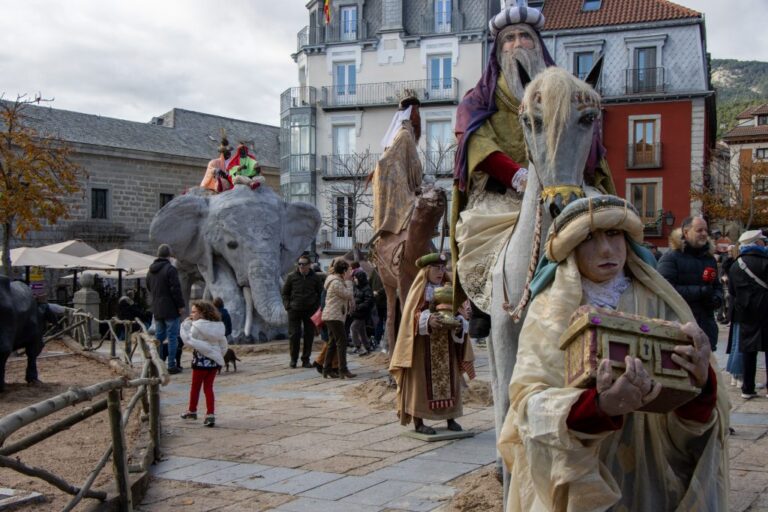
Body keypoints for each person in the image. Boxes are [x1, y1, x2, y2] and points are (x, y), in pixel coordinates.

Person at [498, 195, 728, 511]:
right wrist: (600, 408)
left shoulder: (661, 300)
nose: (607, 249)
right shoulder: (549, 311)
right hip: (586, 474)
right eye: (590, 238)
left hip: (654, 473)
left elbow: (697, 417)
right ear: (572, 247)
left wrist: (701, 385)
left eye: (614, 234)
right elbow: (526, 405)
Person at [450, 2, 613, 334]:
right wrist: (517, 175)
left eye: (525, 36)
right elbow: (476, 142)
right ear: (498, 50)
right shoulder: (477, 100)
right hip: (504, 194)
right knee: (477, 233)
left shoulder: (564, 91)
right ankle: (488, 302)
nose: (516, 44)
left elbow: (585, 136)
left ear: (538, 45)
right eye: (508, 39)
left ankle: (628, 288)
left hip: (565, 183)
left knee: (613, 223)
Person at [389, 253, 475, 435]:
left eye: (443, 268)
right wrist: (427, 321)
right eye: (436, 268)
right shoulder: (418, 291)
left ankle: (451, 417)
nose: (440, 271)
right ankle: (418, 421)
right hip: (422, 347)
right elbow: (409, 319)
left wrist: (459, 323)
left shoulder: (450, 290)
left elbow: (461, 314)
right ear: (426, 270)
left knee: (450, 381)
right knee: (420, 384)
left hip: (447, 345)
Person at [658, 216, 723, 350]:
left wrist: (716, 299)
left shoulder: (709, 258)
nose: (704, 234)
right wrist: (700, 291)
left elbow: (717, 286)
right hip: (680, 329)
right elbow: (666, 290)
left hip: (706, 328)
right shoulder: (670, 258)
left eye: (706, 230)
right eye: (699, 230)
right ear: (686, 232)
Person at [371, 96, 423, 240]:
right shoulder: (404, 135)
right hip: (401, 187)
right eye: (417, 112)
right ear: (412, 112)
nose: (419, 117)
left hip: (403, 182)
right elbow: (411, 164)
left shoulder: (401, 134)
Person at [727, 229, 768, 399]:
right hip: (767, 311)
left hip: (745, 314)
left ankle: (747, 388)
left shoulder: (736, 265)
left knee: (748, 351)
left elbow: (732, 291)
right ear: (757, 243)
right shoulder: (766, 262)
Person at [179, 300, 228, 427]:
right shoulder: (218, 326)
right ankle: (210, 414)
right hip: (213, 362)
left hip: (200, 362)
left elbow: (188, 340)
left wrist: (185, 323)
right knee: (208, 388)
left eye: (194, 311)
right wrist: (216, 355)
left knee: (195, 388)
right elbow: (223, 344)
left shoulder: (196, 326)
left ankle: (192, 410)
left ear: (201, 313)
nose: (192, 314)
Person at [147, 244, 185, 374]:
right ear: (169, 255)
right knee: (172, 337)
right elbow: (176, 290)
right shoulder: (170, 269)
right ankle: (171, 365)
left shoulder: (151, 270)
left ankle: (159, 363)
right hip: (170, 309)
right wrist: (180, 306)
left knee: (159, 337)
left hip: (157, 308)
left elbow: (149, 286)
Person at [282, 255, 324, 368]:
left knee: (309, 335)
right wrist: (288, 306)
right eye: (299, 264)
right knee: (294, 335)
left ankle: (306, 360)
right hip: (294, 310)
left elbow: (321, 293)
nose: (301, 266)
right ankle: (293, 360)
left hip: (309, 310)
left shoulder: (315, 277)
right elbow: (285, 293)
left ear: (309, 265)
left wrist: (316, 307)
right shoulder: (291, 277)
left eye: (303, 264)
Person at [322, 259, 355, 379]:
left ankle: (327, 369)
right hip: (334, 316)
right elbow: (348, 294)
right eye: (349, 270)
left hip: (333, 315)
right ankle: (343, 370)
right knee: (342, 342)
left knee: (332, 343)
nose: (350, 273)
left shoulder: (336, 280)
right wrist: (349, 283)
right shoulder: (336, 282)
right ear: (344, 271)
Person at [350, 269, 374, 355]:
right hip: (357, 312)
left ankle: (358, 346)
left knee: (353, 328)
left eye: (356, 278)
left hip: (362, 313)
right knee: (361, 330)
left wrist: (358, 307)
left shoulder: (367, 288)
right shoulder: (356, 286)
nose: (354, 279)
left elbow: (368, 301)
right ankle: (367, 346)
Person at [369, 267, 387, 348]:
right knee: (379, 322)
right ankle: (377, 340)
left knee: (386, 322)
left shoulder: (386, 269)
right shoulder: (374, 271)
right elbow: (370, 283)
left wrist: (378, 292)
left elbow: (388, 285)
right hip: (377, 302)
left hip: (386, 302)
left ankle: (386, 342)